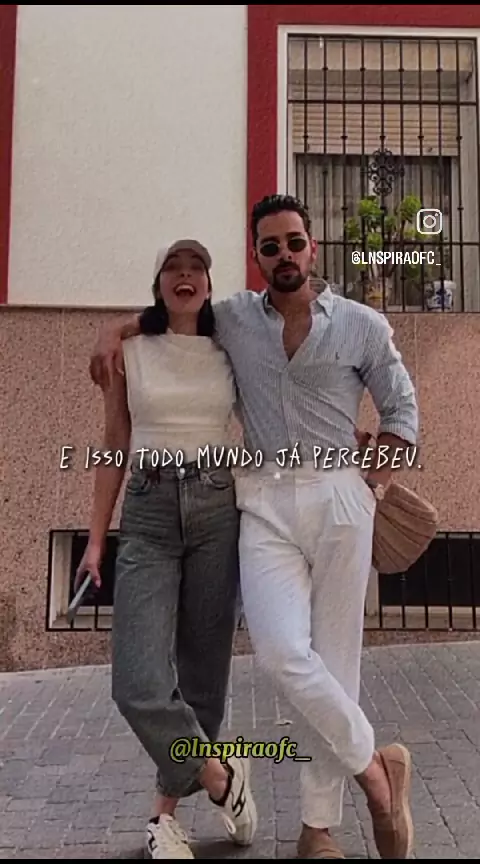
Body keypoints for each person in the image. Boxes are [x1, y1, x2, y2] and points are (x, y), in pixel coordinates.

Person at [89, 195, 418, 860]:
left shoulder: (360, 324)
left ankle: (318, 830)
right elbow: (172, 312)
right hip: (262, 501)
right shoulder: (235, 317)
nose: (284, 255)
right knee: (280, 654)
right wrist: (111, 330)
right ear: (257, 257)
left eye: (294, 242)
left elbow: (402, 412)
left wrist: (372, 482)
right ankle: (375, 772)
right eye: (270, 246)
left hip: (338, 496)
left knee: (336, 663)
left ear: (312, 247)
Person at [76, 239, 257, 860]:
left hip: (215, 505)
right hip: (149, 510)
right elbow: (113, 444)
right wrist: (95, 539)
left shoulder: (229, 344)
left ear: (209, 283)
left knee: (204, 672)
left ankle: (164, 818)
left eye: (195, 269)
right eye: (173, 269)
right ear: (158, 284)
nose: (185, 277)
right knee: (137, 680)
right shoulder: (128, 351)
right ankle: (222, 778)